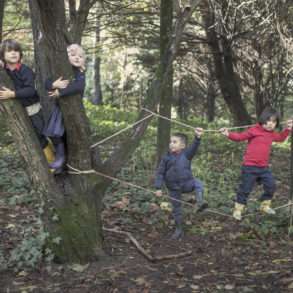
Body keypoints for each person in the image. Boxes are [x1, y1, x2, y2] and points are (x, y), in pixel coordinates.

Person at [219, 107, 293, 220]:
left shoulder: (271, 134)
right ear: (263, 119)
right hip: (249, 167)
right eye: (268, 120)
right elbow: (239, 137)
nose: (270, 124)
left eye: (274, 122)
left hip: (264, 168)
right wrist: (227, 133)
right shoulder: (254, 130)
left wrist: (288, 129)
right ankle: (238, 210)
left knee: (271, 185)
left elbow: (281, 138)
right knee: (245, 189)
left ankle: (264, 206)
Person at [0, 39, 54, 163]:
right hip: (23, 112)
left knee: (43, 133)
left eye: (16, 51)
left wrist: (12, 94)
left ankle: (59, 157)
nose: (14, 53)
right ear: (3, 55)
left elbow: (30, 90)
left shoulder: (25, 70)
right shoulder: (6, 71)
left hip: (34, 110)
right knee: (37, 138)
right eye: (9, 51)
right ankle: (51, 160)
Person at [154, 129, 208, 239]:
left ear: (182, 146)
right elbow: (160, 173)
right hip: (173, 187)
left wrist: (197, 137)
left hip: (187, 184)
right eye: (170, 142)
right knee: (176, 209)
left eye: (174, 142)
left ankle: (200, 202)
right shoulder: (166, 158)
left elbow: (194, 147)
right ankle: (179, 229)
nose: (171, 144)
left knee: (198, 183)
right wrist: (158, 187)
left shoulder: (187, 154)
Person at [43, 44, 86, 173]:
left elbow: (78, 87)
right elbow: (46, 83)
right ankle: (60, 158)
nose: (77, 58)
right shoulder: (60, 71)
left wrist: (60, 93)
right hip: (58, 109)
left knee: (66, 136)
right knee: (54, 134)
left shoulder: (79, 73)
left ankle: (62, 160)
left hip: (72, 111)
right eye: (73, 55)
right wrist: (53, 84)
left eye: (80, 56)